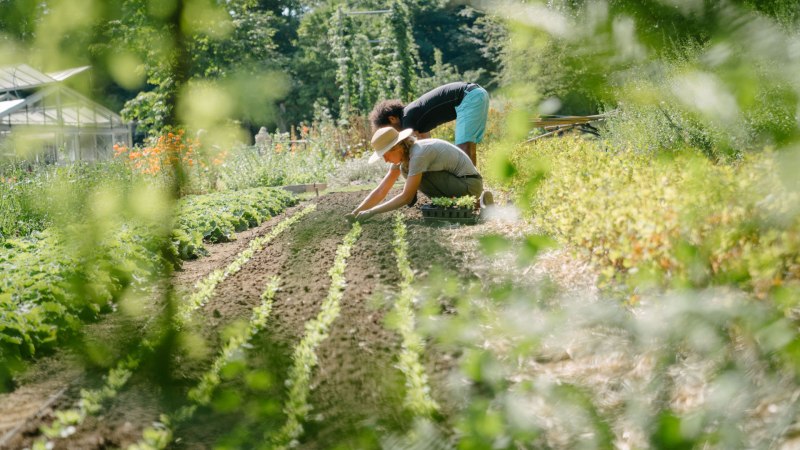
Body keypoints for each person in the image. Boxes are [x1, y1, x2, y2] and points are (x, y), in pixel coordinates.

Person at [347, 127, 484, 222]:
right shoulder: (406, 155)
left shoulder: (418, 154)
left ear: (397, 147)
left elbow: (406, 197)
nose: (386, 160)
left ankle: (470, 203)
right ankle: (460, 204)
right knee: (405, 169)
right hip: (459, 184)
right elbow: (382, 190)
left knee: (408, 171)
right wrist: (356, 212)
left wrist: (372, 212)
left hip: (469, 185)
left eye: (385, 155)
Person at [369, 81, 489, 167]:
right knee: (469, 148)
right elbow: (425, 146)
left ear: (392, 119)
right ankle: (473, 191)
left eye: (388, 129)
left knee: (464, 149)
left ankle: (470, 193)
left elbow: (413, 152)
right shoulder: (413, 115)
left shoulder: (407, 118)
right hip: (476, 93)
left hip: (468, 98)